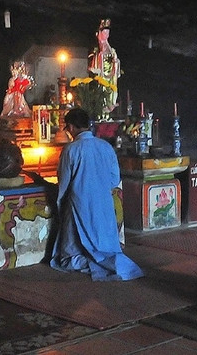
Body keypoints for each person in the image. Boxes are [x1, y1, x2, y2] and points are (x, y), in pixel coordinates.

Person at [49, 107, 144, 281]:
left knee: (69, 257)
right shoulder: (105, 147)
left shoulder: (71, 149)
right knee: (105, 246)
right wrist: (97, 187)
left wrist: (60, 201)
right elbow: (115, 179)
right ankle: (110, 261)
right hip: (103, 204)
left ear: (70, 127)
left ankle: (90, 261)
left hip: (79, 204)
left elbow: (63, 182)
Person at [87, 18, 121, 117]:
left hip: (110, 76)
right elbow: (95, 63)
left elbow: (116, 61)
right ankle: (101, 115)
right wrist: (94, 69)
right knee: (102, 95)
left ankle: (107, 113)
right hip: (102, 77)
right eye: (104, 33)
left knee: (111, 94)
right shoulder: (98, 52)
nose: (106, 35)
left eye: (107, 33)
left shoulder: (112, 50)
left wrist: (116, 62)